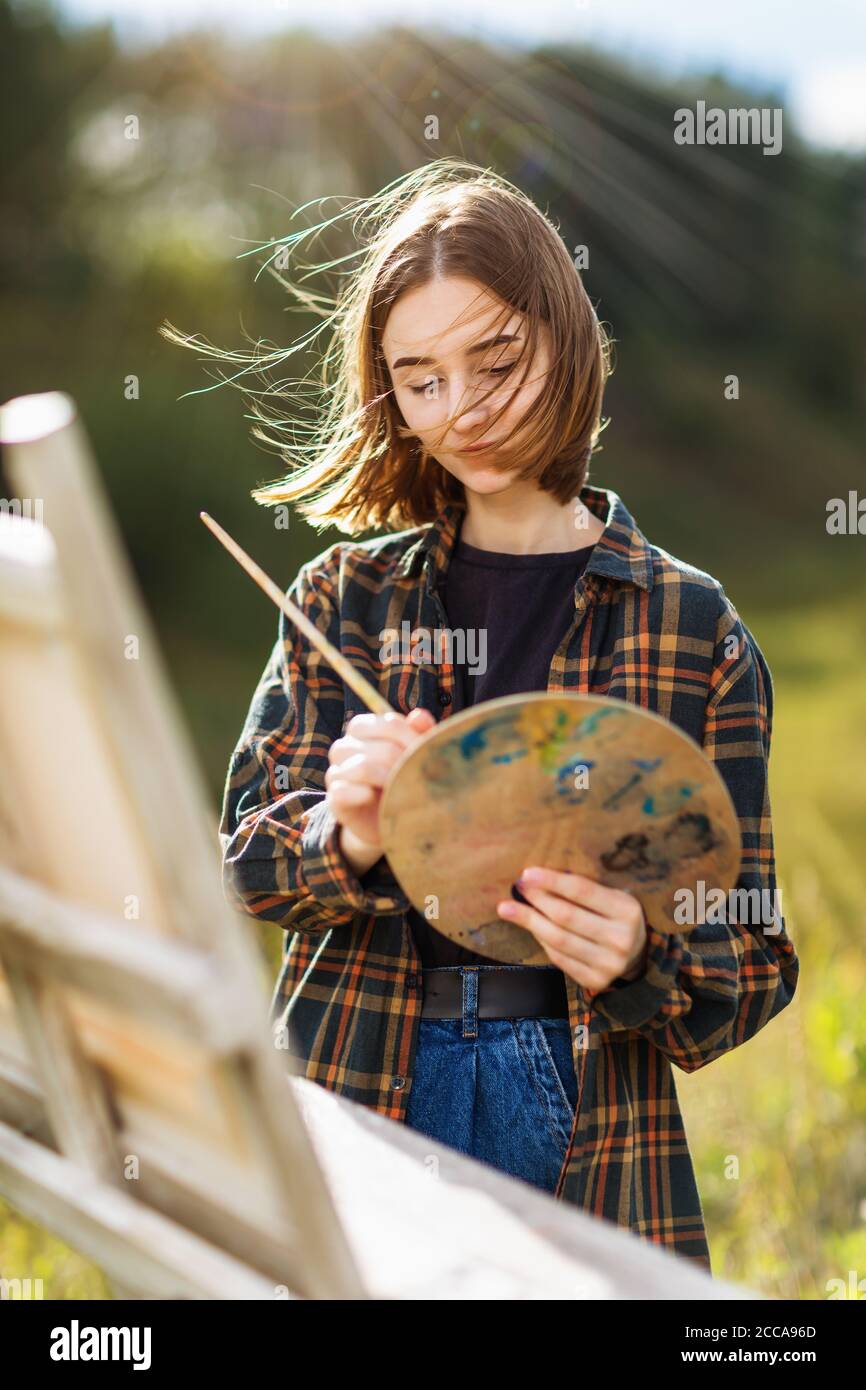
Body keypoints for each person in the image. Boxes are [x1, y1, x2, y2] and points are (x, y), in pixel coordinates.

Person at [182, 159, 798, 1274]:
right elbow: (237, 864)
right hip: (357, 1073)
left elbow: (749, 964)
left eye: (494, 361)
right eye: (417, 379)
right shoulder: (340, 602)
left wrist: (638, 957)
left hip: (578, 1104)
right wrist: (347, 832)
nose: (456, 409)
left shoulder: (689, 625)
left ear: (563, 338)